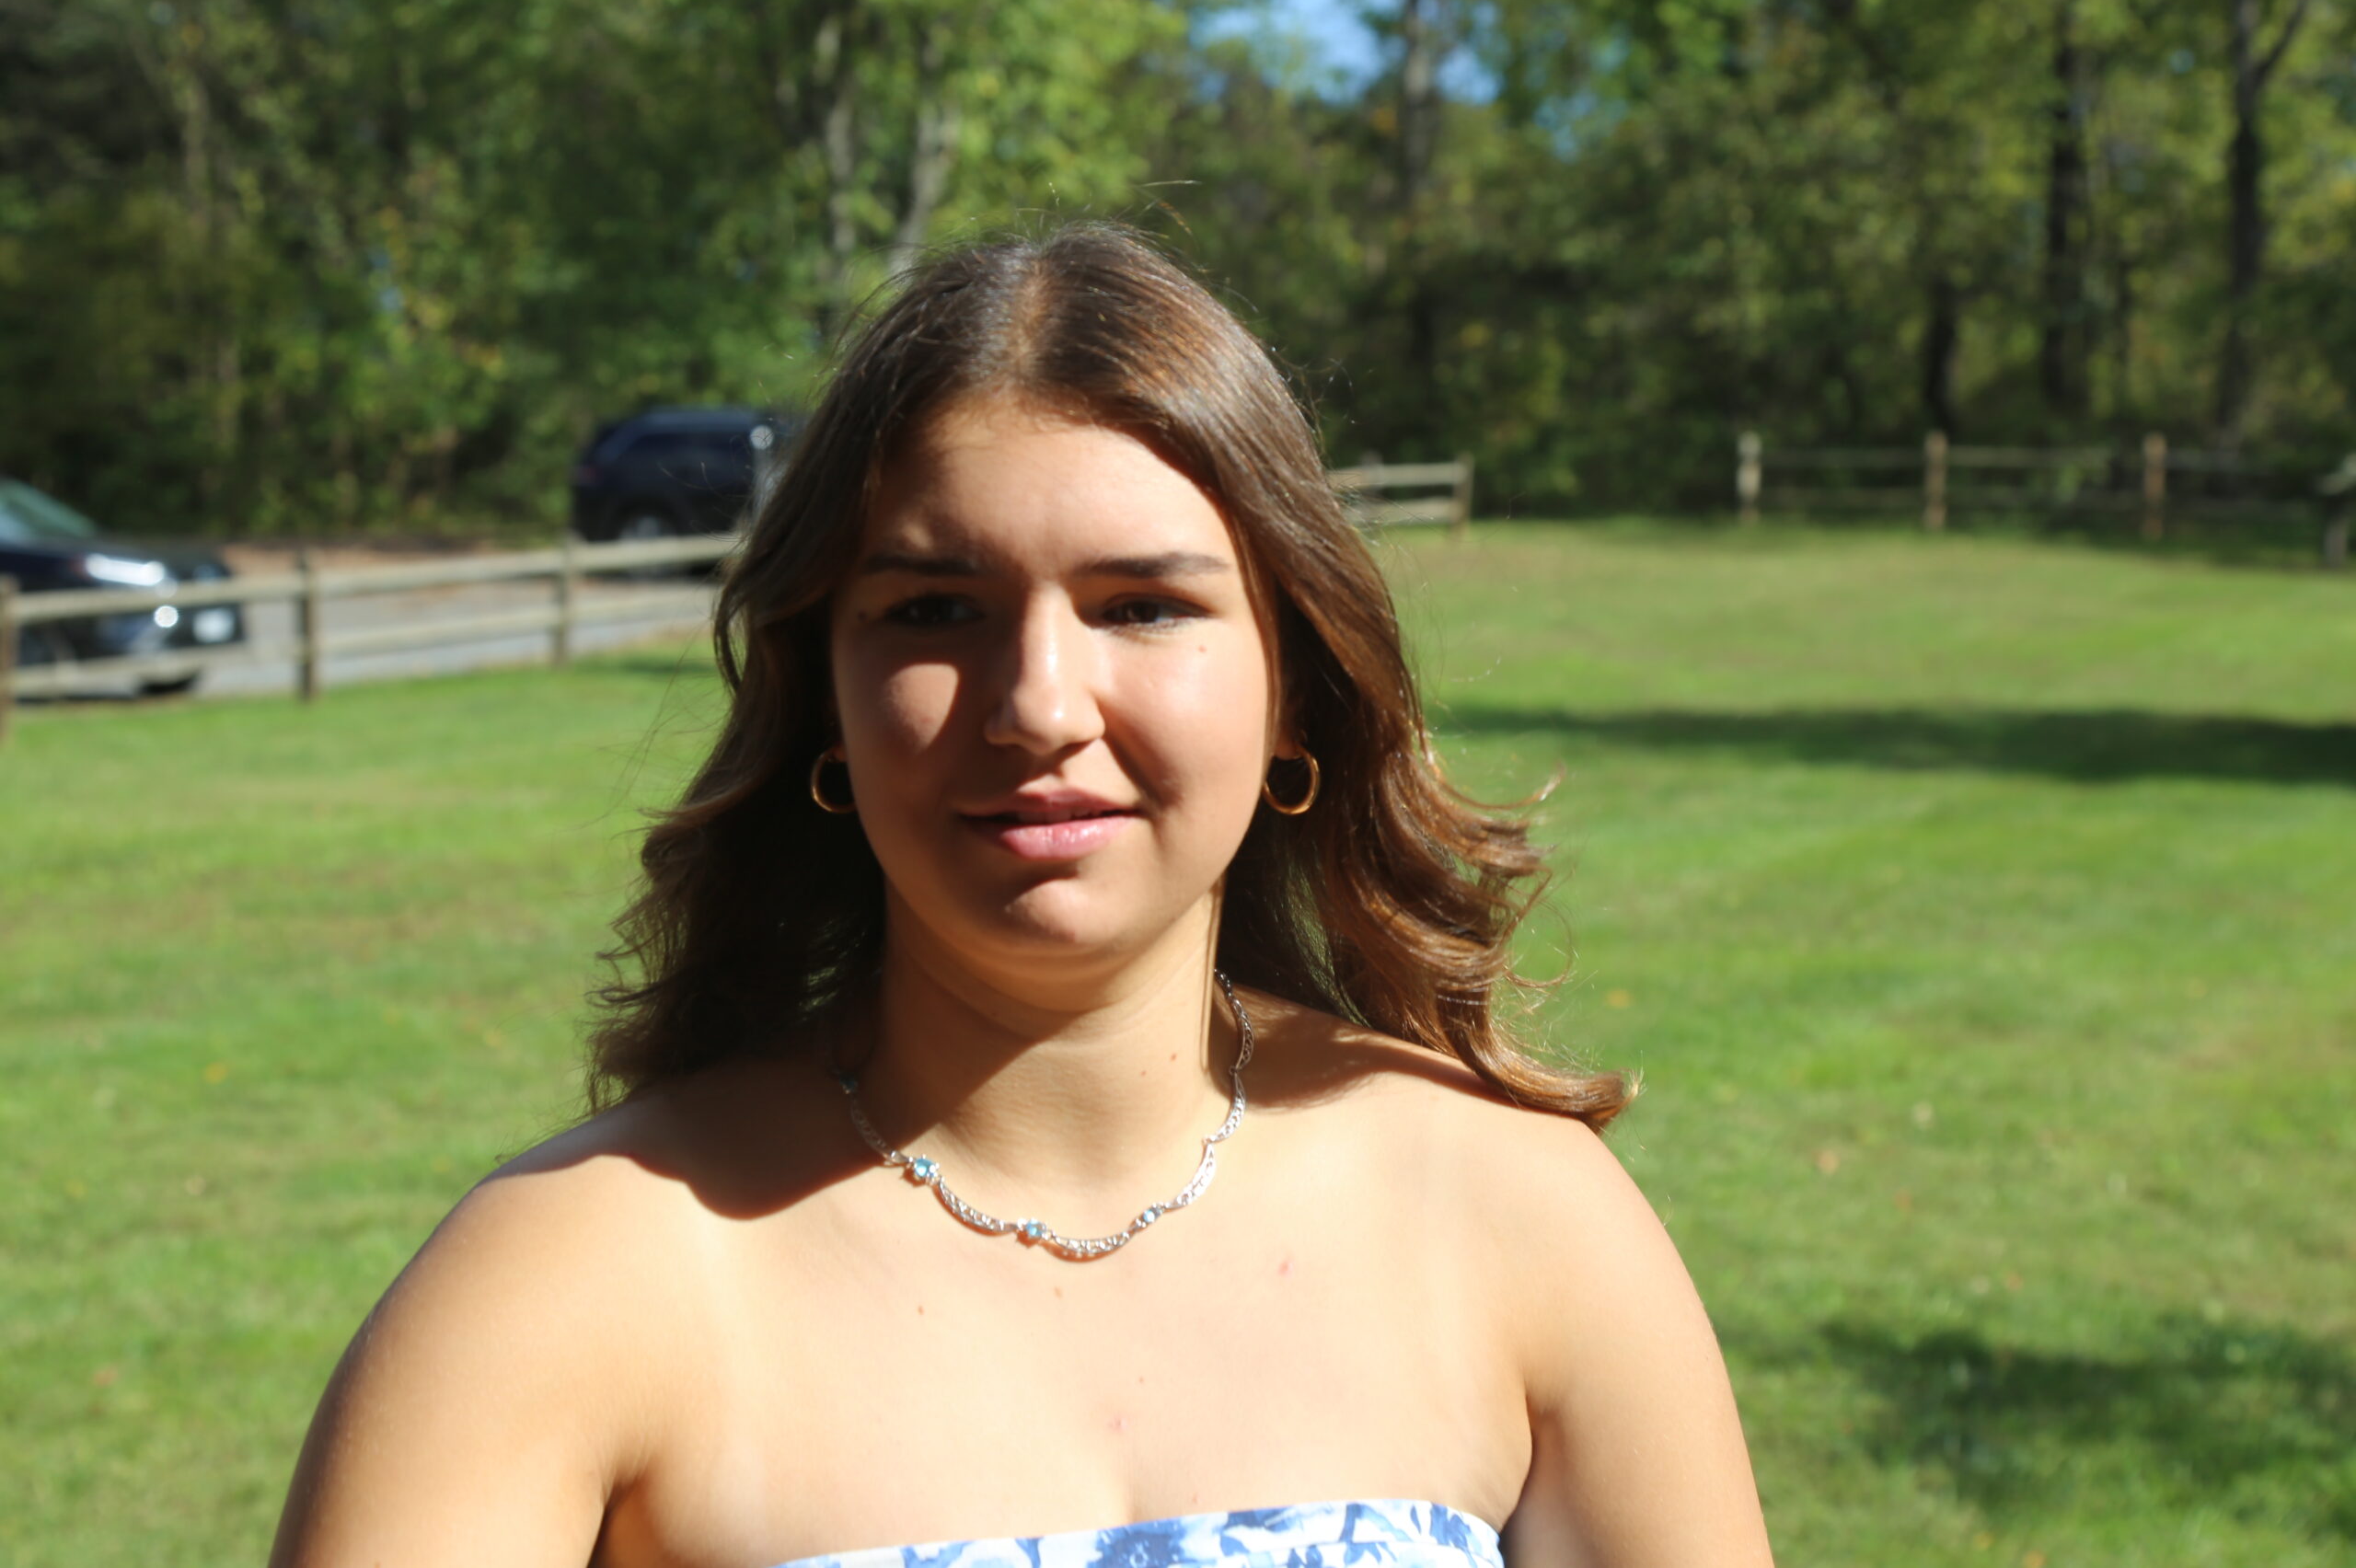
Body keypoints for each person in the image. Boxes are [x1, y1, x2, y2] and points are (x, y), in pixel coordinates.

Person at [269, 225, 1774, 1568]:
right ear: (827, 702)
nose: (1040, 703)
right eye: (937, 610)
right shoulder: (572, 1278)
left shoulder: (1517, 1219)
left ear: (1294, 692)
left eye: (1143, 606)